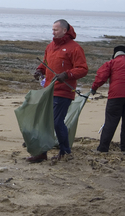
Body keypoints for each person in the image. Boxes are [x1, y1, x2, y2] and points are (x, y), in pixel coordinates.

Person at [29, 19, 88, 162]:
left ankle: (65, 152)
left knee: (56, 122)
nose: (53, 32)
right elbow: (45, 63)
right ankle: (42, 153)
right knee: (44, 121)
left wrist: (67, 75)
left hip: (64, 91)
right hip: (48, 90)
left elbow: (83, 69)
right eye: (52, 29)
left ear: (64, 30)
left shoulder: (75, 48)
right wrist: (39, 70)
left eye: (56, 29)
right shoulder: (50, 47)